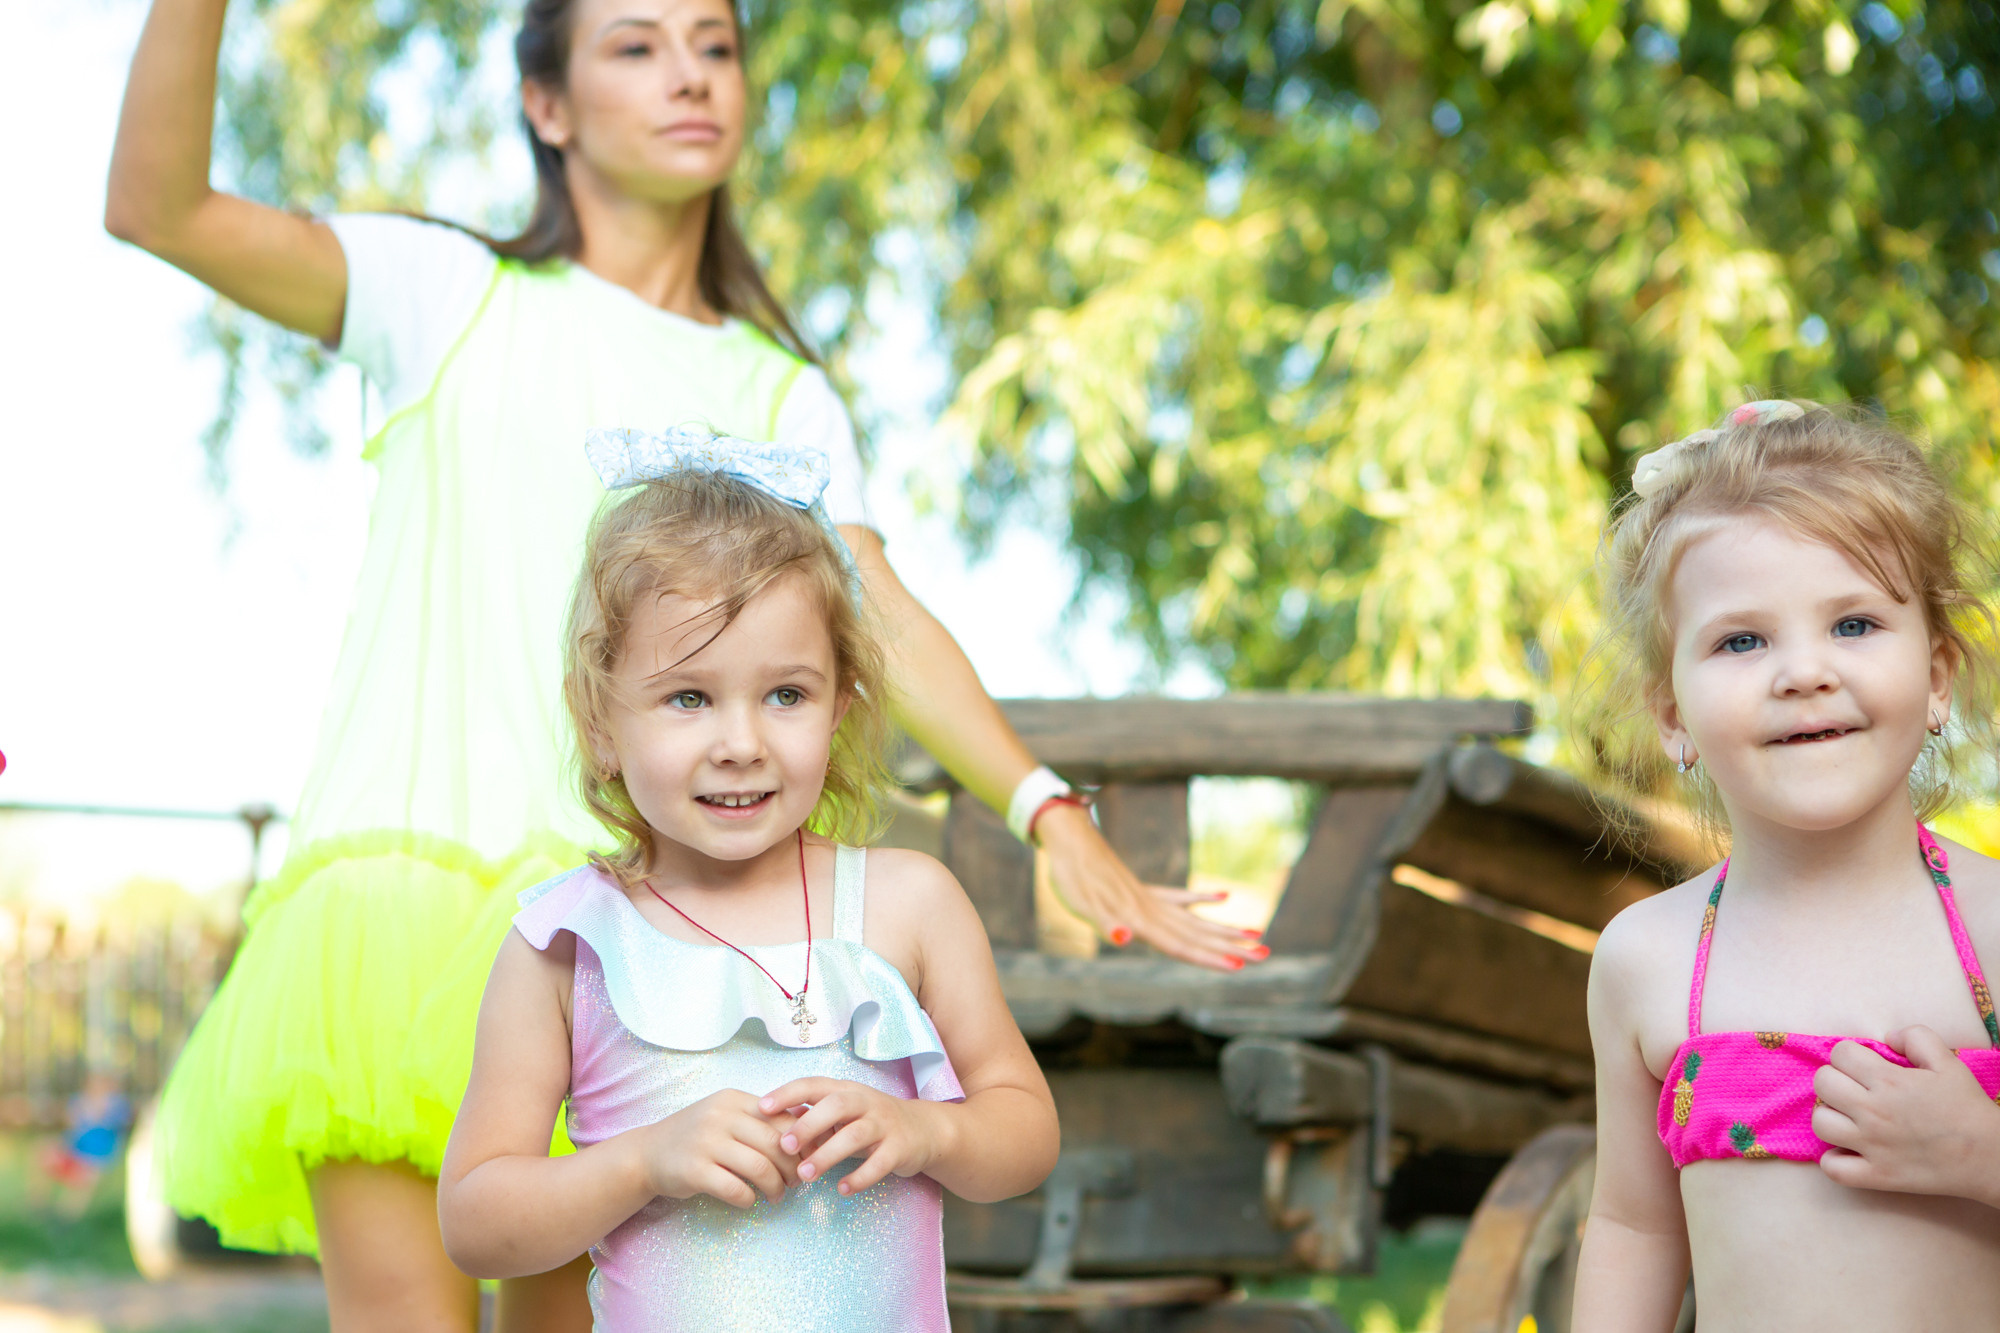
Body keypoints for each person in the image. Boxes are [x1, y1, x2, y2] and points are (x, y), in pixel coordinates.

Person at [105, 0, 1258, 1327]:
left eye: (715, 44)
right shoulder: (448, 295)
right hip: (397, 918)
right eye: (637, 45)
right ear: (547, 105)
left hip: (644, 939)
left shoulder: (781, 391)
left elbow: (877, 615)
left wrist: (1048, 808)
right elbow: (157, 208)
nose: (691, 75)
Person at [438, 430, 1058, 1330]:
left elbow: (1026, 1132)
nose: (742, 741)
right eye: (689, 697)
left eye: (786, 694)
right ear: (602, 722)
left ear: (841, 707)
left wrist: (931, 1132)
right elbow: (476, 1224)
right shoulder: (567, 946)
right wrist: (643, 1160)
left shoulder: (909, 905)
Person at [1570, 399, 2000, 1329]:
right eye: (1741, 639)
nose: (1803, 671)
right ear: (1672, 713)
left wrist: (1983, 1152)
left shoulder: (1995, 928)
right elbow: (1634, 1227)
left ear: (1935, 675)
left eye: (1852, 625)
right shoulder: (1649, 958)